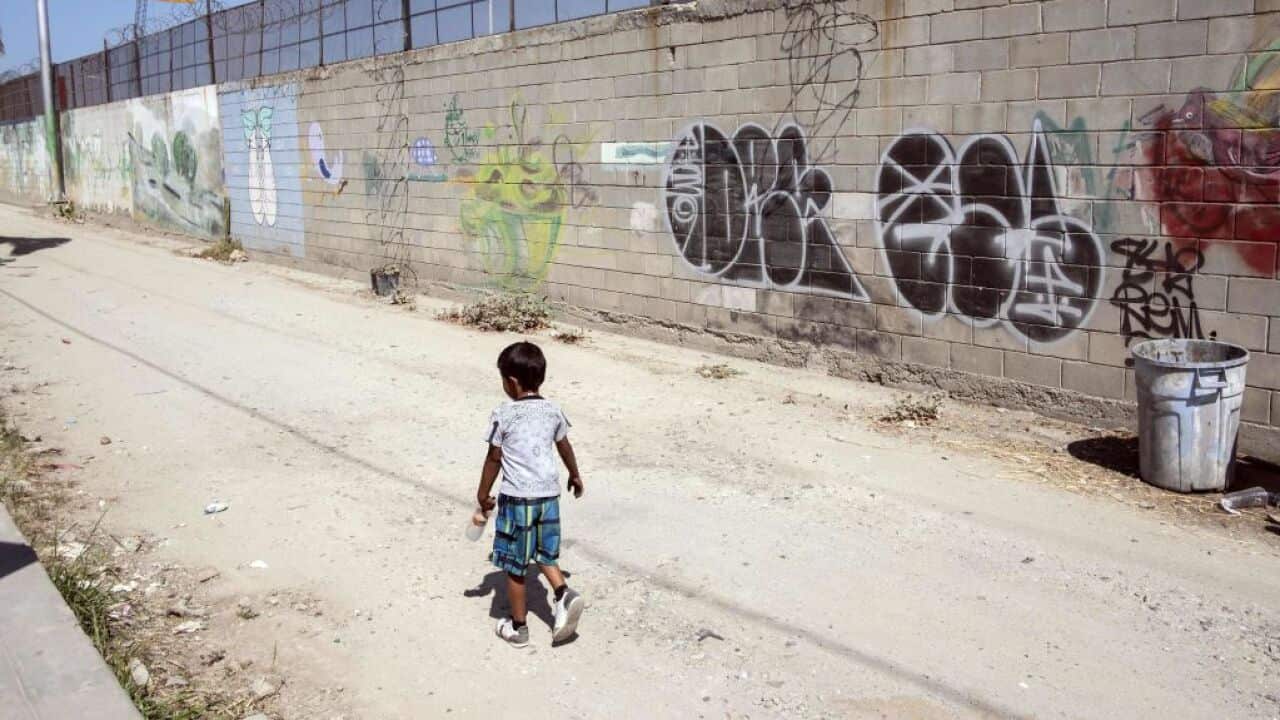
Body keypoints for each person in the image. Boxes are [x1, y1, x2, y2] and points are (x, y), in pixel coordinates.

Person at [476, 341, 585, 647]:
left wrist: (482, 496)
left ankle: (518, 627)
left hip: (518, 499)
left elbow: (494, 458)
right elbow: (565, 446)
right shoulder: (553, 411)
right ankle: (564, 593)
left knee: (515, 565)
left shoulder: (505, 414)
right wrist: (575, 474)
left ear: (511, 381)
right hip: (548, 497)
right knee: (544, 553)